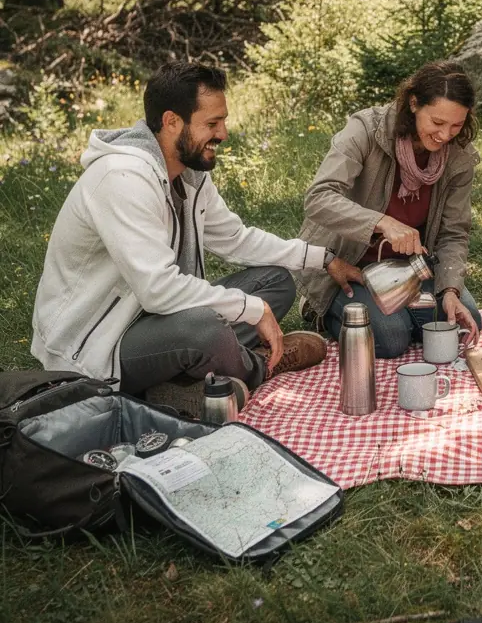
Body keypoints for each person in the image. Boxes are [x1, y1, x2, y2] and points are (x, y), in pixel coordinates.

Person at [31, 62, 363, 416]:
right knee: (206, 328)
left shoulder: (188, 174)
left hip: (155, 322)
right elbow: (159, 290)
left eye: (223, 121)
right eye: (212, 124)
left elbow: (235, 239)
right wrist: (250, 309)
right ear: (172, 121)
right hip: (97, 347)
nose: (223, 134)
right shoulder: (122, 178)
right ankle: (259, 366)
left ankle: (176, 385)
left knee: (276, 281)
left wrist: (322, 258)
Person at [297, 61, 482, 357]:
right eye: (437, 122)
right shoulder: (366, 130)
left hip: (410, 269)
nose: (445, 135)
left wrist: (450, 291)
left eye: (456, 125)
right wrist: (382, 222)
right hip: (348, 265)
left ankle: (399, 312)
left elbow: (453, 232)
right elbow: (319, 198)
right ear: (413, 104)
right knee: (390, 338)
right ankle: (319, 307)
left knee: (461, 323)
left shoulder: (458, 158)